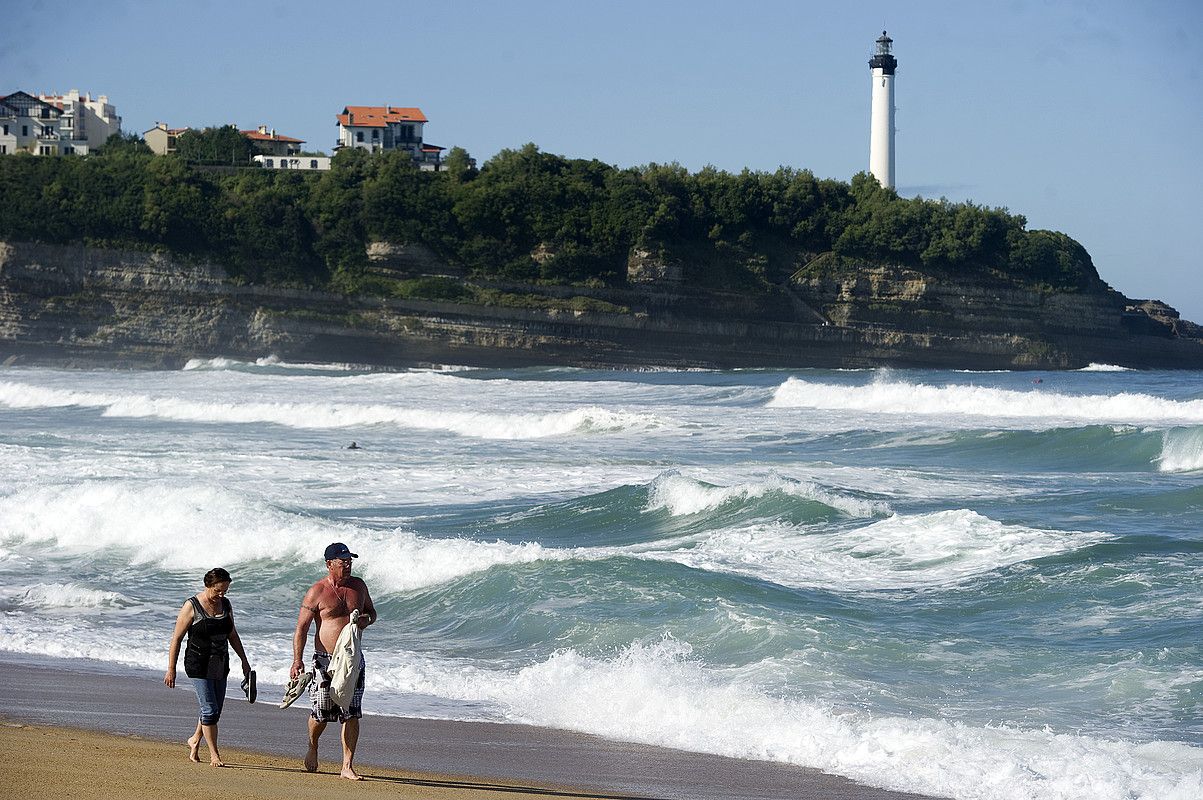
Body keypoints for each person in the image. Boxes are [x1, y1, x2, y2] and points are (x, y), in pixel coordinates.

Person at [291, 542, 377, 780]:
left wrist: (365, 621)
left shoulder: (358, 586)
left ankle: (347, 766)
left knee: (352, 712)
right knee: (321, 712)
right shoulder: (317, 591)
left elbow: (373, 613)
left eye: (350, 561)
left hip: (351, 658)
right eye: (343, 562)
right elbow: (301, 628)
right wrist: (297, 661)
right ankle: (313, 746)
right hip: (324, 660)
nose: (348, 565)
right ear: (330, 564)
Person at [164, 567, 252, 767]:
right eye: (217, 591)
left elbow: (232, 635)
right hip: (198, 664)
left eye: (225, 591)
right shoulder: (192, 606)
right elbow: (176, 639)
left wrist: (244, 661)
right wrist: (171, 669)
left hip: (220, 664)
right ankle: (214, 755)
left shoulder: (226, 605)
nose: (221, 595)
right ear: (208, 586)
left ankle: (195, 739)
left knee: (213, 710)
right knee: (210, 710)